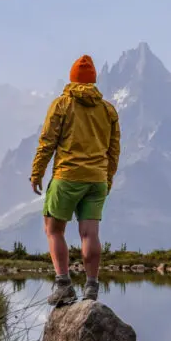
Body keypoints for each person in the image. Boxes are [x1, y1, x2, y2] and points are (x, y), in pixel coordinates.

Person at [30, 55, 121, 306]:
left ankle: (63, 285)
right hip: (97, 180)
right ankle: (91, 288)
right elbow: (114, 151)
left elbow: (47, 142)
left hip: (67, 176)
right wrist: (108, 178)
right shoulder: (108, 110)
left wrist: (37, 172)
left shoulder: (62, 104)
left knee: (54, 229)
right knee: (90, 233)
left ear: (72, 78)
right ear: (93, 80)